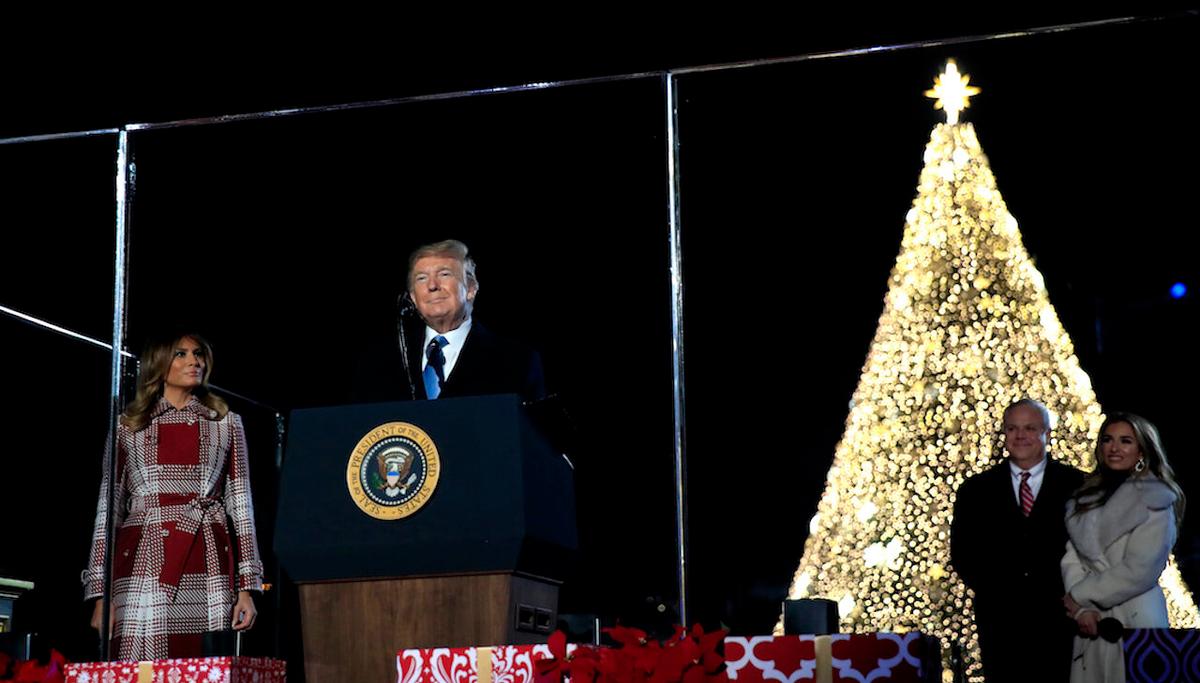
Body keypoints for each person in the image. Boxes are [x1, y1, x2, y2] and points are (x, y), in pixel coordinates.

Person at [83, 333, 264, 660]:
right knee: (141, 670)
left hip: (207, 554)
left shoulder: (226, 423)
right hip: (142, 560)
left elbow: (242, 506)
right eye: (181, 354)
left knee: (204, 667)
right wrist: (100, 593)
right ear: (158, 364)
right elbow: (107, 511)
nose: (194, 361)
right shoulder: (128, 425)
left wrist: (247, 587)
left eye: (198, 354)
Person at [951, 398, 1085, 682]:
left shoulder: (1079, 485)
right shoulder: (975, 490)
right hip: (1000, 619)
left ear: (1047, 434)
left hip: (1061, 618)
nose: (1020, 436)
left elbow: (1091, 549)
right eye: (1012, 428)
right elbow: (964, 554)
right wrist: (1001, 594)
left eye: (1030, 428)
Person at [1062, 413, 1184, 683]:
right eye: (1108, 440)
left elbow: (1140, 570)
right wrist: (1081, 609)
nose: (1114, 448)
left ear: (1141, 449)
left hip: (1135, 619)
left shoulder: (1156, 498)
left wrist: (1081, 595)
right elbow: (1072, 559)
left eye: (1125, 441)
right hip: (1091, 622)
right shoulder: (1085, 498)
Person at [355, 239, 545, 403]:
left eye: (444, 274)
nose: (432, 286)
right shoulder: (379, 365)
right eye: (421, 278)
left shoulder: (516, 361)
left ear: (470, 288)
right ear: (413, 297)